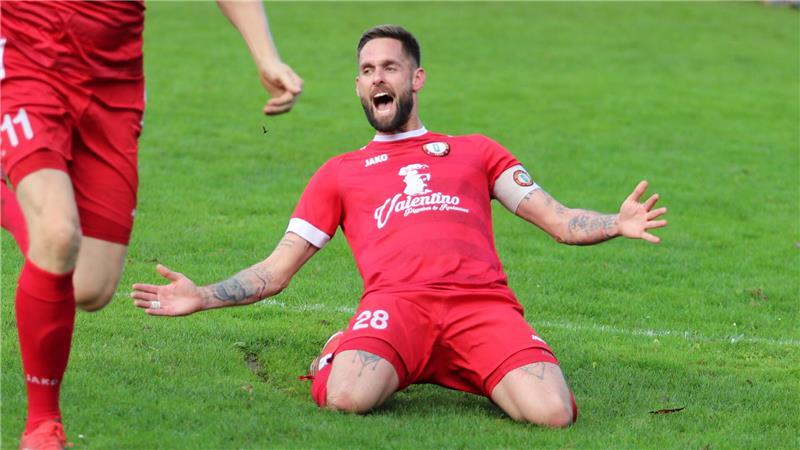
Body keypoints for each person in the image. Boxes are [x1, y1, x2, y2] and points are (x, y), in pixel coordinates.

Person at [132, 24, 667, 428]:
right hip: (397, 307)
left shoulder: (476, 152)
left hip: (481, 306)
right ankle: (344, 345)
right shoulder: (339, 173)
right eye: (367, 71)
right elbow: (276, 271)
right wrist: (201, 296)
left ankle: (485, 356)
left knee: (553, 415)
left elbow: (557, 219)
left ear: (416, 78)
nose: (377, 78)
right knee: (347, 399)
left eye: (389, 67)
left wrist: (615, 223)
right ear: (358, 87)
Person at [0, 1, 302, 448]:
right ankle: (42, 425)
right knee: (59, 234)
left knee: (88, 288)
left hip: (112, 86)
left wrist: (266, 56)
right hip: (27, 63)